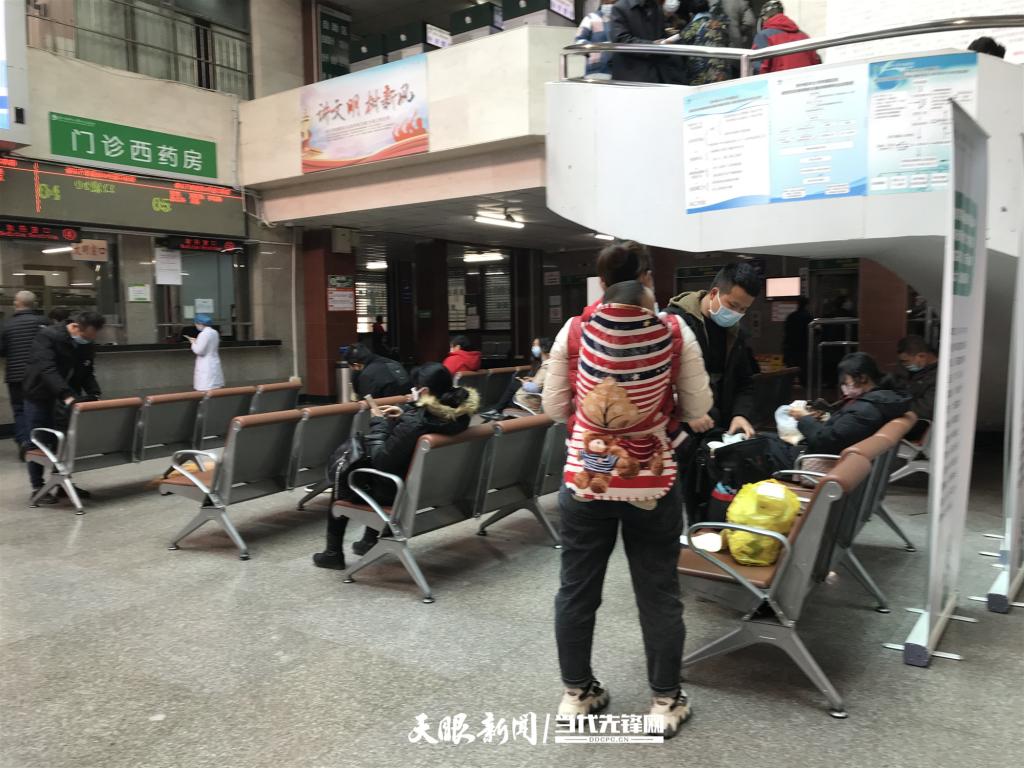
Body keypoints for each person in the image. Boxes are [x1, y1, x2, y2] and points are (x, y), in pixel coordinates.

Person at [544, 278, 712, 739]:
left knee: (576, 589)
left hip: (586, 478)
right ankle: (665, 701)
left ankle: (577, 693)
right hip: (651, 481)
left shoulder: (573, 331)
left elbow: (554, 408)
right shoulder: (674, 330)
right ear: (646, 298)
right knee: (658, 591)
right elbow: (699, 405)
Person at [313, 363, 478, 569]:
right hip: (434, 489)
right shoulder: (459, 416)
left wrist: (378, 423)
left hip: (399, 494)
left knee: (345, 475)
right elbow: (425, 418)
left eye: (415, 388)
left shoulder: (415, 425)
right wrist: (404, 412)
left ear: (424, 391)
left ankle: (333, 553)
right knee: (381, 473)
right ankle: (369, 541)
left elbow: (381, 461)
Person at [665, 262, 761, 438]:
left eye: (743, 309)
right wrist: (688, 409)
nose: (736, 313)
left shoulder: (736, 333)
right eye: (732, 305)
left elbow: (745, 381)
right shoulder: (674, 323)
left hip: (722, 430)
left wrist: (740, 414)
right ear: (714, 293)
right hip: (681, 434)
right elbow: (660, 382)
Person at [21, 311, 105, 501]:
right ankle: (38, 487)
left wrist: (95, 393)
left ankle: (61, 483)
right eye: (86, 337)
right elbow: (47, 369)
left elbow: (87, 370)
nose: (89, 341)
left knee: (64, 441)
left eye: (92, 338)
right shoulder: (47, 336)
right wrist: (66, 395)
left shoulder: (86, 343)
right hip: (39, 395)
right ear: (75, 327)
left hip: (66, 397)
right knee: (39, 441)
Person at [788, 352, 911, 455]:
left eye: (846, 382)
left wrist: (804, 418)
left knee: (775, 445)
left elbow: (826, 441)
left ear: (862, 378)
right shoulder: (880, 400)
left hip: (820, 461)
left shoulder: (864, 411)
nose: (844, 388)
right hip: (832, 454)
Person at [0, 291, 48, 460]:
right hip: (39, 375)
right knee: (39, 408)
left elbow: (2, 350)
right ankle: (37, 443)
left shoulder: (6, 325)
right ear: (34, 304)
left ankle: (24, 442)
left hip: (15, 375)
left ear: (16, 303)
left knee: (19, 409)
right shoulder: (43, 322)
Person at [481, 337, 553, 418]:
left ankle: (496, 411)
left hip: (531, 403)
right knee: (511, 393)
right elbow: (543, 382)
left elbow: (535, 388)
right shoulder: (550, 364)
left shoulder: (545, 367)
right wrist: (533, 379)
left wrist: (524, 383)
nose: (533, 347)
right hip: (535, 401)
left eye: (535, 345)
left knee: (511, 393)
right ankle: (496, 410)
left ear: (543, 348)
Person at [608, 0, 669, 84]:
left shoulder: (655, 6)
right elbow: (620, 40)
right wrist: (652, 45)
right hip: (630, 73)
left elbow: (661, 33)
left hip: (656, 71)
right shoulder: (620, 7)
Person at [751, 0, 820, 74]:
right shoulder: (804, 36)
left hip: (779, 79)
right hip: (805, 79)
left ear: (765, 17)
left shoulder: (764, 36)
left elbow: (759, 67)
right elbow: (816, 62)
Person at [889, 335, 938, 440]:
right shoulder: (910, 370)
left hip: (918, 422)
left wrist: (897, 407)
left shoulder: (938, 376)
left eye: (906, 361)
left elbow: (926, 409)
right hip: (904, 412)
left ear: (921, 356)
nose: (904, 364)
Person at [678, 0, 731, 86]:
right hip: (722, 72)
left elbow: (682, 41)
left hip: (703, 74)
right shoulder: (720, 24)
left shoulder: (696, 24)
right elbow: (727, 41)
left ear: (691, 13)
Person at [344, 343, 410, 399]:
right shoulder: (395, 363)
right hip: (408, 405)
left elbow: (367, 402)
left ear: (356, 365)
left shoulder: (367, 375)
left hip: (387, 407)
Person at [575, 2, 615, 78]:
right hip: (597, 71)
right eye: (608, 1)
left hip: (621, 70)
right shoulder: (591, 18)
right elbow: (578, 41)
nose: (610, 4)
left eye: (613, 2)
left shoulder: (621, 18)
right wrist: (598, 49)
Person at [188, 313, 224, 391]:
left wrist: (193, 343)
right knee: (215, 390)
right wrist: (197, 341)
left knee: (206, 390)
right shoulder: (215, 332)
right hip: (214, 362)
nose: (196, 326)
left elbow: (199, 350)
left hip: (205, 365)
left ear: (200, 324)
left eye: (196, 324)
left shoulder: (203, 334)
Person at [782, 296, 813, 384]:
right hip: (803, 347)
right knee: (803, 370)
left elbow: (786, 331)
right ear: (806, 304)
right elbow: (815, 331)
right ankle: (804, 388)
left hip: (791, 346)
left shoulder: (791, 316)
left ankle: (789, 387)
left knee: (790, 371)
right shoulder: (808, 317)